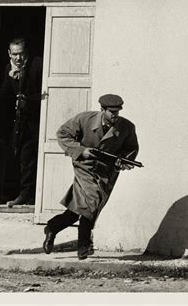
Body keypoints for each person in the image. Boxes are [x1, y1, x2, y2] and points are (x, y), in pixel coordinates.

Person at [42, 94, 139, 260]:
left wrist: (124, 162)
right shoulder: (84, 119)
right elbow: (63, 133)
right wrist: (81, 151)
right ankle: (83, 246)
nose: (115, 116)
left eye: (118, 112)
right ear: (102, 110)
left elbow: (131, 148)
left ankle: (52, 227)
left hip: (106, 172)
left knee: (79, 208)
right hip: (84, 167)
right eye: (112, 112)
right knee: (93, 200)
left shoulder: (127, 127)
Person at [0, 37, 42, 207]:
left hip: (36, 120)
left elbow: (43, 93)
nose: (18, 59)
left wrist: (29, 101)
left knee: (28, 158)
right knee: (17, 158)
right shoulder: (8, 69)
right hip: (18, 122)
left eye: (22, 54)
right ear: (9, 53)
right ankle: (17, 194)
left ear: (27, 53)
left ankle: (27, 196)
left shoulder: (38, 65)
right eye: (15, 55)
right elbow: (6, 93)